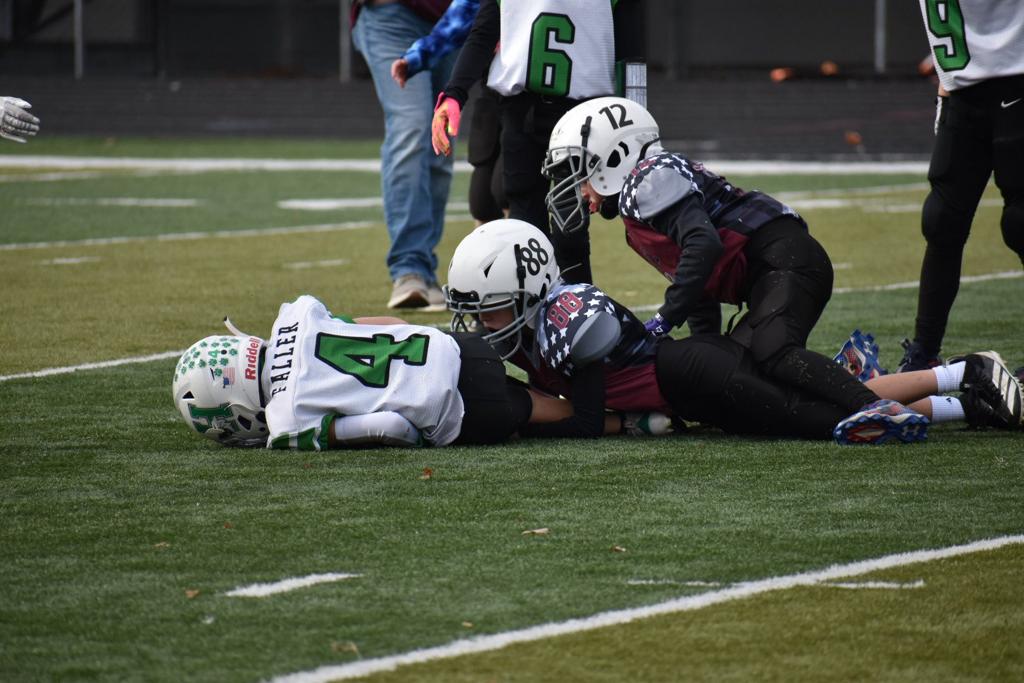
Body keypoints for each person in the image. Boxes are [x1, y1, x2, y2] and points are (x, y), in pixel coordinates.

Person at [444, 220, 1023, 444]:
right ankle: (971, 402)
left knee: (835, 419)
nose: (483, 323)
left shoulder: (569, 321)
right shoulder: (537, 326)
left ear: (528, 293)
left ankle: (965, 373)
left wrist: (525, 416)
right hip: (696, 383)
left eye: (490, 309)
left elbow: (589, 420)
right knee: (832, 410)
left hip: (698, 376)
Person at [543, 96, 878, 424]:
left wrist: (665, 317)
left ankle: (875, 407)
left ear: (615, 156)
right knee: (743, 377)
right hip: (770, 270)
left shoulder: (646, 179)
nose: (580, 189)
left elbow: (704, 246)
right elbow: (699, 280)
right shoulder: (638, 207)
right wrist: (710, 344)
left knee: (773, 352)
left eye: (583, 174)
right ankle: (852, 376)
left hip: (785, 260)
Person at [172, 295, 669, 450]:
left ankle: (630, 422)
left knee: (538, 418)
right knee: (530, 395)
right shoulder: (293, 315)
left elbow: (388, 426)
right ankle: (620, 392)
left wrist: (421, 435)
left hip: (453, 404)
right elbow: (370, 325)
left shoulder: (284, 421)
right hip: (451, 346)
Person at [431, 0, 645, 284]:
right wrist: (454, 94)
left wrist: (633, 123)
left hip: (584, 117)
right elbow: (483, 33)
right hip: (522, 110)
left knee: (570, 225)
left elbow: (630, 55)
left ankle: (578, 303)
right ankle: (533, 307)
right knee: (525, 226)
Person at [898, 1, 1024, 371]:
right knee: (942, 221)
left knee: (1021, 222)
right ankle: (923, 351)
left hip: (1018, 79)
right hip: (963, 90)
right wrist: (945, 87)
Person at [351, 0, 460, 311]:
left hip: (452, 18)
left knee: (441, 144)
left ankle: (424, 270)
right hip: (391, 15)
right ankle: (408, 269)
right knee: (410, 127)